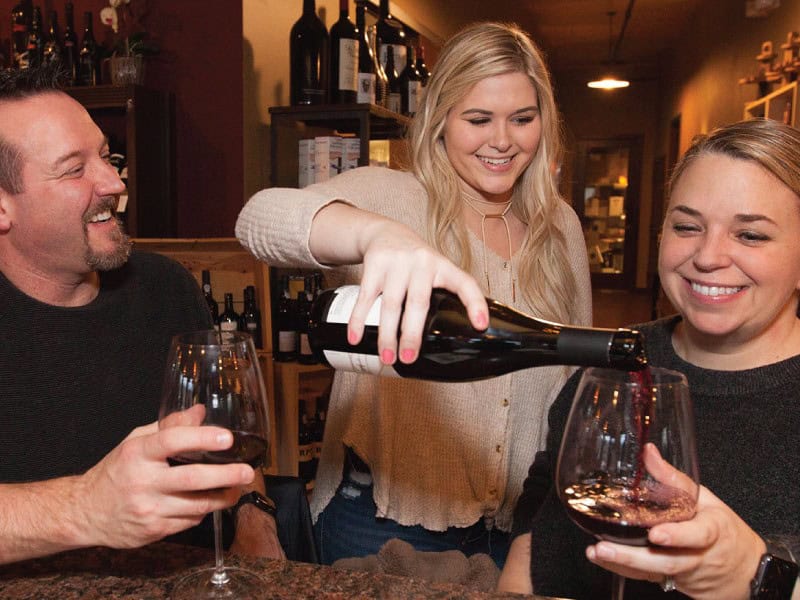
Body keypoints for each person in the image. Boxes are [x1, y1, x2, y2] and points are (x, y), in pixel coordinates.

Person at [236, 21, 592, 567]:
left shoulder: (559, 226)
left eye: (523, 119)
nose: (503, 140)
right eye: (478, 119)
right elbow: (257, 220)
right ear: (440, 120)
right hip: (382, 523)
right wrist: (373, 234)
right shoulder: (389, 196)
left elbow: (577, 379)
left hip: (520, 524)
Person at [499, 118, 800, 599]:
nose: (708, 256)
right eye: (687, 226)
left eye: (751, 236)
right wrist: (518, 573)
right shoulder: (619, 356)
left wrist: (758, 574)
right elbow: (547, 489)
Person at [0, 64, 282, 564]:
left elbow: (227, 435)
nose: (113, 182)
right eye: (74, 169)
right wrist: (85, 507)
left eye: (106, 157)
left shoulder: (165, 288)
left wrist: (255, 515)